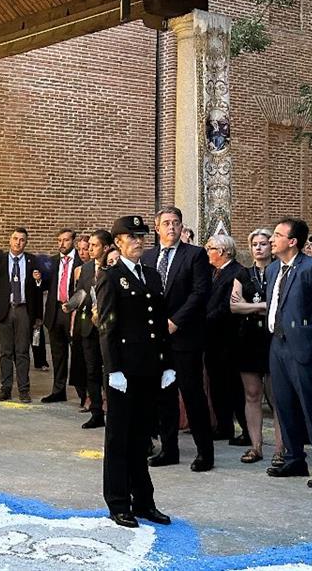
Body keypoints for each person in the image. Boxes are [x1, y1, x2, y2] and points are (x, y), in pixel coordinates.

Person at [96, 215, 172, 529]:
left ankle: (143, 501)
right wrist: (113, 370)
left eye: (142, 237)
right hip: (123, 373)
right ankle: (118, 503)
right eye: (131, 237)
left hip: (149, 370)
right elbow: (106, 328)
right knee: (119, 439)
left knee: (141, 438)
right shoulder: (111, 277)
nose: (138, 242)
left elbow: (160, 326)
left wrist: (167, 364)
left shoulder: (152, 276)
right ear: (118, 242)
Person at [266, 218, 312, 488]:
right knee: (283, 404)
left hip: (304, 348)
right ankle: (294, 457)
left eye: (277, 235)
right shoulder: (274, 269)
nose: (271, 239)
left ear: (293, 241)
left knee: (311, 407)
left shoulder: (311, 269)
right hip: (277, 344)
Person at [142, 206, 214, 471]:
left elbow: (199, 293)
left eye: (176, 223)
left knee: (192, 395)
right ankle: (169, 449)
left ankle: (205, 452)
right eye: (167, 223)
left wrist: (175, 322)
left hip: (185, 338)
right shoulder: (148, 257)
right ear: (157, 227)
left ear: (182, 227)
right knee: (163, 396)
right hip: (156, 341)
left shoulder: (194, 255)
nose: (172, 227)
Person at [230, 229, 285, 464]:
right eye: (255, 244)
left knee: (277, 397)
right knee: (252, 394)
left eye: (264, 243)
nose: (259, 248)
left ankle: (281, 450)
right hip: (248, 339)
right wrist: (264, 305)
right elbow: (234, 307)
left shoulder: (279, 271)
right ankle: (256, 446)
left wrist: (250, 305)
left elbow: (281, 303)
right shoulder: (243, 274)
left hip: (273, 338)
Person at [0, 227, 44, 403]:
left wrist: (38, 280)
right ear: (10, 241)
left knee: (22, 351)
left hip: (24, 310)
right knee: (6, 352)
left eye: (22, 239)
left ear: (26, 242)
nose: (18, 242)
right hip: (5, 310)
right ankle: (6, 389)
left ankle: (24, 390)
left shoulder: (32, 260)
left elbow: (38, 290)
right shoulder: (0, 260)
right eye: (15, 239)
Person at [64, 229, 113, 429]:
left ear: (106, 247)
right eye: (89, 245)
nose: (90, 249)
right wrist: (70, 305)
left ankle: (114, 411)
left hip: (108, 327)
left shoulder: (113, 267)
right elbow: (81, 293)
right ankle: (96, 412)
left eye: (94, 245)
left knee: (109, 372)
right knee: (91, 371)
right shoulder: (84, 269)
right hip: (88, 329)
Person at [204, 233, 247, 444]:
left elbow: (227, 307)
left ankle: (246, 429)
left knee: (234, 387)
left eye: (210, 248)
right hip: (213, 339)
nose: (207, 253)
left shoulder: (237, 272)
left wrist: (202, 320)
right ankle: (223, 426)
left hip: (229, 340)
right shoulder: (214, 272)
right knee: (217, 385)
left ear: (222, 251)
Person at [43, 229, 83, 404]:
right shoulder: (52, 262)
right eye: (59, 240)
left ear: (72, 241)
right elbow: (45, 286)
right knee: (58, 354)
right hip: (55, 311)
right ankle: (58, 391)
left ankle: (84, 395)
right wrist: (38, 279)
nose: (61, 244)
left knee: (78, 354)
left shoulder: (81, 262)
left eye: (65, 240)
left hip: (73, 312)